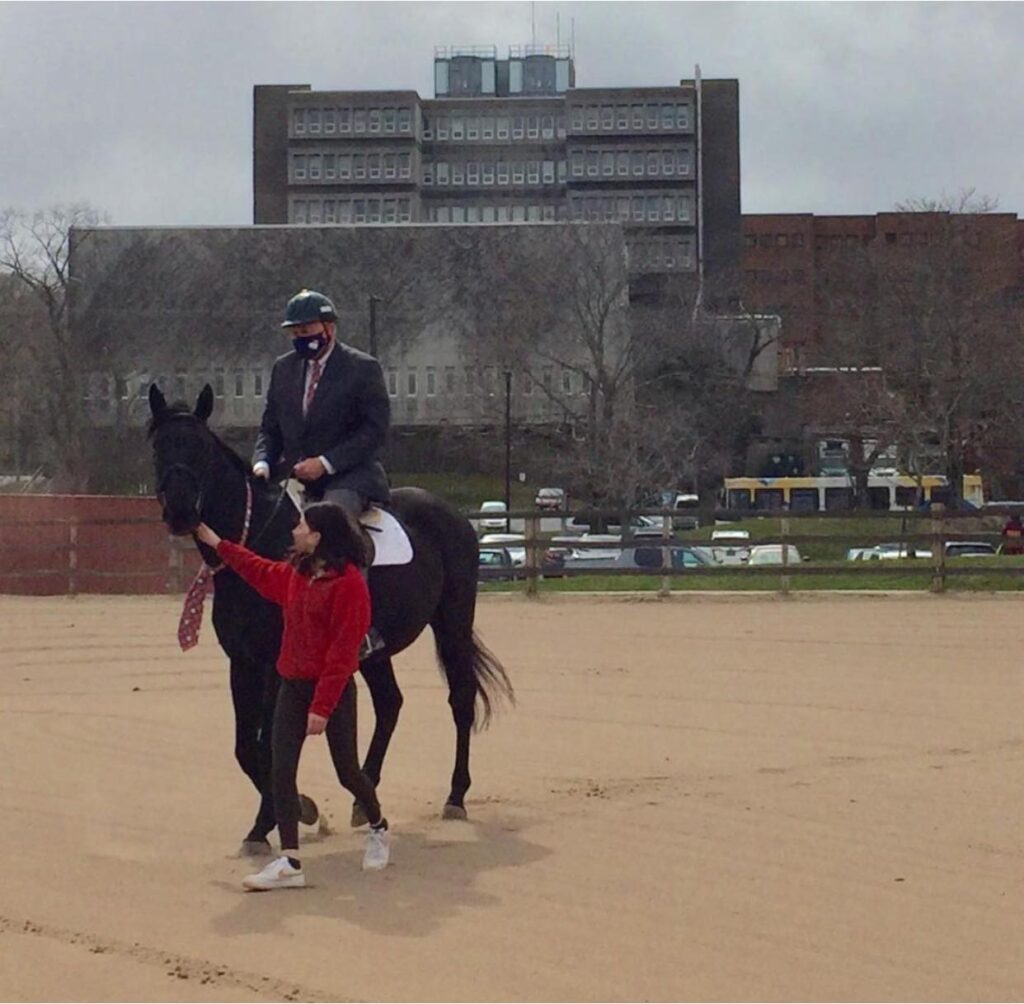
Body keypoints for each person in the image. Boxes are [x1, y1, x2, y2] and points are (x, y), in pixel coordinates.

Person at [195, 502, 391, 892]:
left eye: (302, 525)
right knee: (280, 771)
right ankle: (290, 861)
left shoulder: (349, 586)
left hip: (332, 690)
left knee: (347, 772)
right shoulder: (295, 575)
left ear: (317, 537)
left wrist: (322, 707)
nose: (295, 529)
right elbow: (256, 569)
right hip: (293, 685)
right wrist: (218, 544)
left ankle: (378, 826)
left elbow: (342, 654)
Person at [252, 288, 391, 518]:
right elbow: (270, 428)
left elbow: (374, 430)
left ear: (329, 328)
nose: (300, 338)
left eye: (306, 331)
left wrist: (325, 463)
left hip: (349, 478)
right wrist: (262, 463)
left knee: (328, 519)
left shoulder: (362, 368)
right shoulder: (283, 368)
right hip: (293, 477)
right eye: (295, 333)